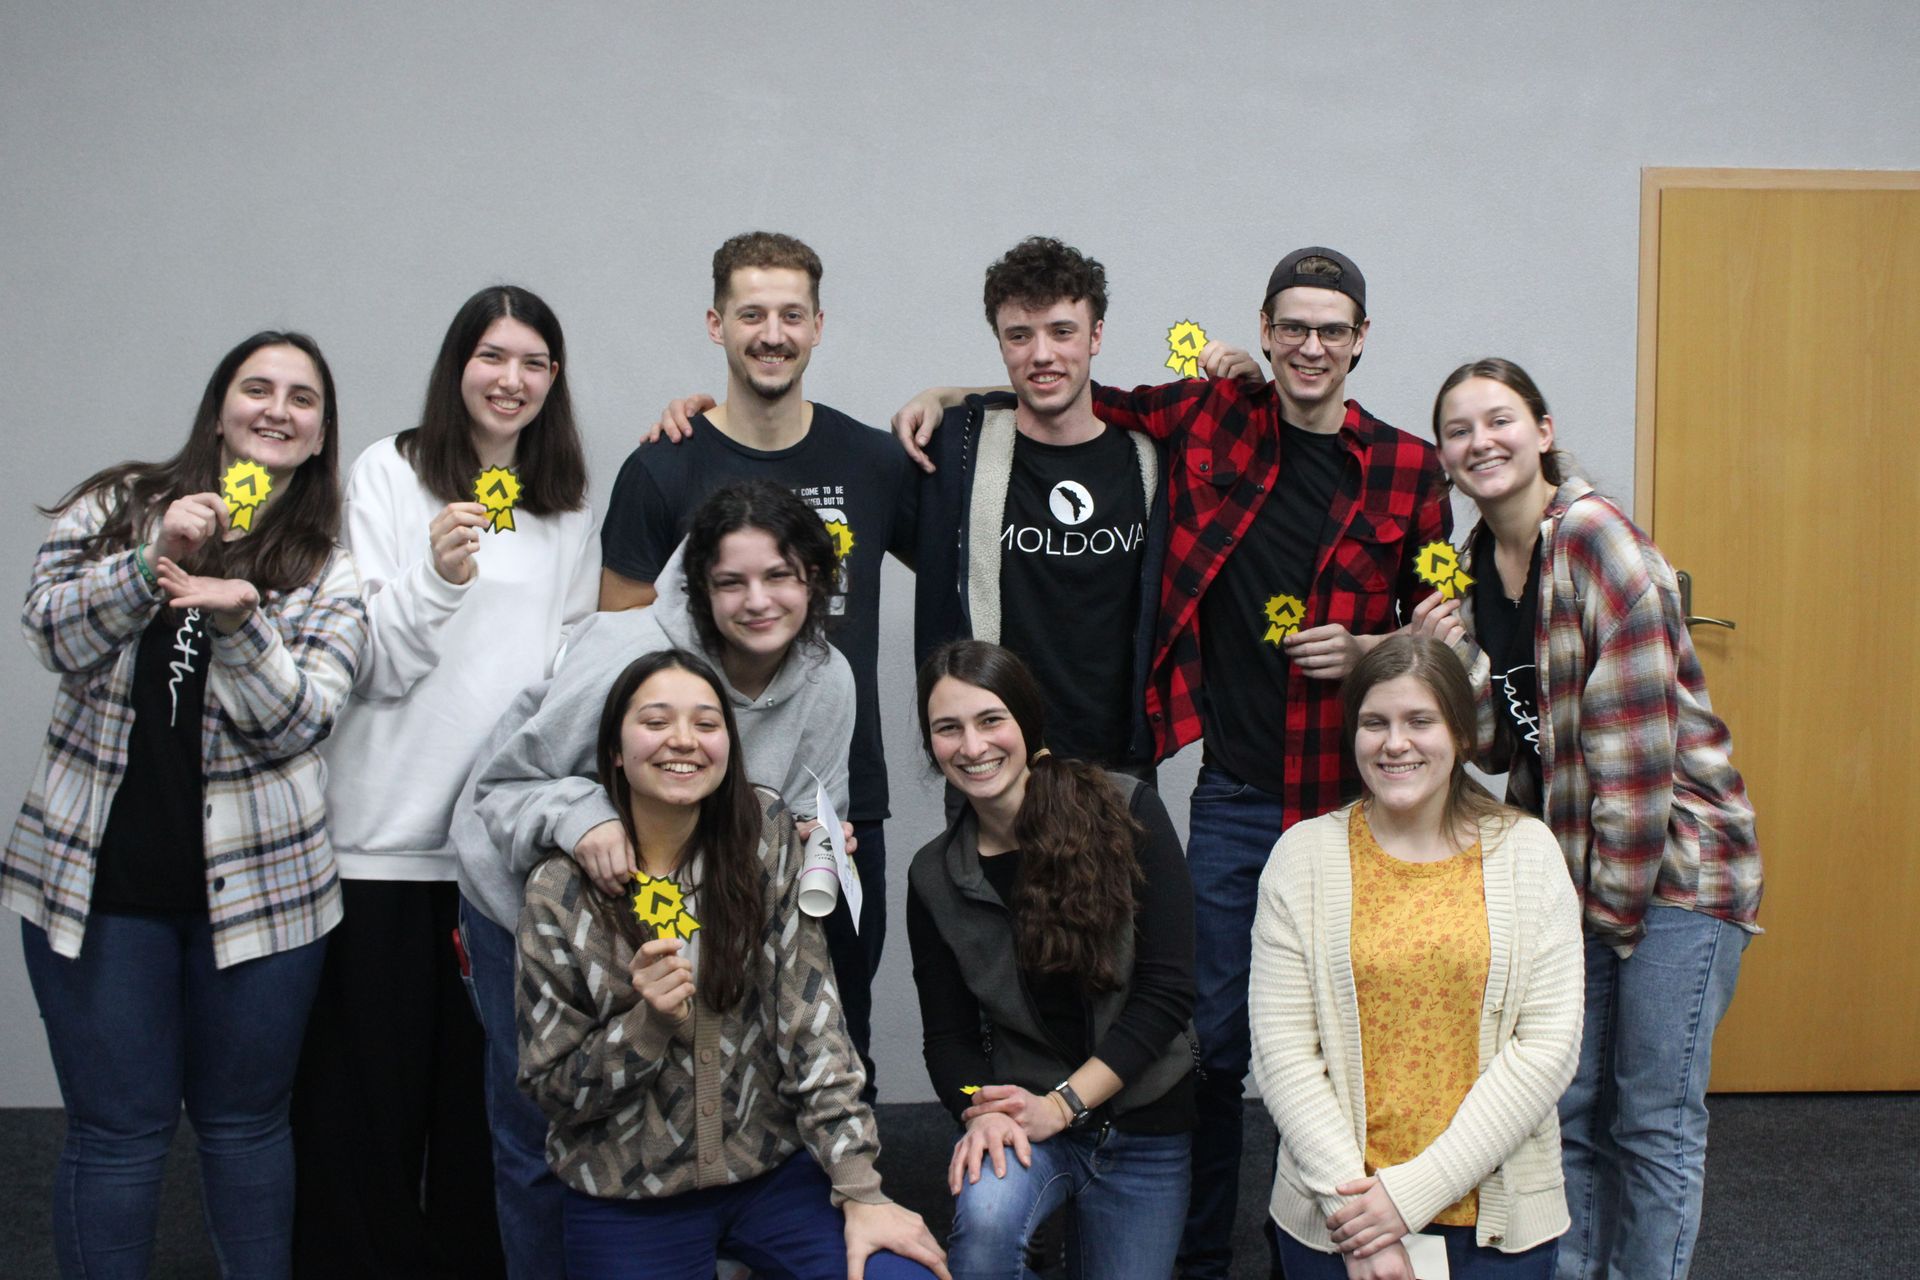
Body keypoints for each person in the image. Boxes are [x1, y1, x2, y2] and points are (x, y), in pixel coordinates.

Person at [896, 247, 1449, 1277]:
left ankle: (1319, 1250)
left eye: (1333, 328)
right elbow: (1068, 388)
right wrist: (951, 398)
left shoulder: (1414, 470)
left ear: (1362, 337)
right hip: (1241, 785)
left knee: (1350, 1039)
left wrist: (1373, 649)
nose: (1312, 345)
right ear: (1267, 329)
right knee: (1219, 1044)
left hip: (1363, 792)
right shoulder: (1212, 419)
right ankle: (1202, 1258)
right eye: (1294, 326)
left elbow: (1439, 639)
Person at [6, 331, 367, 1277]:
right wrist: (149, 562)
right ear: (220, 406)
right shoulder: (119, 503)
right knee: (117, 1136)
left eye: (302, 399)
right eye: (258, 389)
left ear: (322, 434)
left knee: (246, 1129)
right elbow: (49, 631)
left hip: (262, 899)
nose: (277, 411)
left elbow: (303, 720)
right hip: (97, 888)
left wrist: (242, 619)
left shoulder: (329, 564)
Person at [1412, 358, 1762, 1280]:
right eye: (1458, 429)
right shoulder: (1481, 563)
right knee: (1560, 1112)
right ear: (1445, 458)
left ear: (1542, 429)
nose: (1480, 441)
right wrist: (1458, 664)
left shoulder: (1595, 538)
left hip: (1676, 874)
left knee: (1648, 1118)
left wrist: (1600, 920)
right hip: (1581, 878)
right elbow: (1500, 751)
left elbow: (1636, 764)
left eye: (1499, 420)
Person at [450, 478, 857, 1264]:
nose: (758, 601)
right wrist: (579, 816)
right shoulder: (624, 652)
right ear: (700, 588)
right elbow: (500, 790)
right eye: (732, 581)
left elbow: (813, 808)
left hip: (691, 919)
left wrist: (818, 840)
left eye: (780, 576)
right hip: (535, 911)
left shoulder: (827, 679)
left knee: (694, 1115)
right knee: (542, 1134)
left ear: (815, 577)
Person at [294, 286, 597, 1277]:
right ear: (457, 363)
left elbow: (563, 683)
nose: (511, 379)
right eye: (492, 355)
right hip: (384, 842)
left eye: (533, 362)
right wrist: (437, 576)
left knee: (488, 1107)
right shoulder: (390, 470)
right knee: (368, 1104)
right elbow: (367, 661)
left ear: (553, 380)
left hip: (498, 856)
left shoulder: (563, 507)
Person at [517, 648, 947, 1280]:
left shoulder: (763, 838)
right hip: (629, 1194)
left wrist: (861, 1189)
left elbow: (814, 1025)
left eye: (707, 723)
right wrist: (645, 1027)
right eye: (656, 722)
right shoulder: (559, 891)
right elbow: (551, 1092)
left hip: (770, 1176)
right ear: (614, 748)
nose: (683, 741)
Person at [605, 230, 917, 1093]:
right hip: (688, 811)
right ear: (716, 324)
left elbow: (984, 533)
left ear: (819, 326)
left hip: (836, 813)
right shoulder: (664, 466)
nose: (771, 333)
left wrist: (949, 395)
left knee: (832, 1033)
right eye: (751, 314)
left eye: (790, 314)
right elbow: (617, 660)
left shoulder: (874, 461)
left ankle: (836, 1213)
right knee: (704, 1035)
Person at [1250, 634, 1582, 1280]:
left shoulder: (1530, 854)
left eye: (1419, 721)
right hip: (1337, 1221)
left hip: (1496, 1230)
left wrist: (1405, 1199)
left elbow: (1547, 1049)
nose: (1394, 743)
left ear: (1461, 735)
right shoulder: (1302, 858)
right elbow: (1284, 1056)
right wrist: (1366, 1226)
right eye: (1375, 723)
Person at [907, 640, 1196, 1278]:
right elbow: (947, 1044)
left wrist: (1064, 1104)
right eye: (947, 729)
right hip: (1023, 1122)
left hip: (1142, 1124)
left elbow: (1169, 993)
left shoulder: (1128, 811)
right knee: (983, 1227)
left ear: (1026, 724)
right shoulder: (933, 875)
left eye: (990, 720)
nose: (972, 746)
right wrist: (974, 1108)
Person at [909, 238, 1165, 777]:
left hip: (1119, 767)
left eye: (1062, 331)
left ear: (1096, 335)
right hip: (991, 762)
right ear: (1001, 342)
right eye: (1020, 336)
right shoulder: (956, 449)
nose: (1041, 353)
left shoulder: (1153, 454)